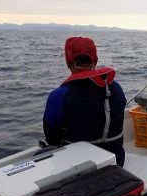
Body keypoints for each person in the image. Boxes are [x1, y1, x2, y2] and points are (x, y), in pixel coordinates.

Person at [43, 36, 126, 166]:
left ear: (68, 63)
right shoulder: (116, 87)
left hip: (78, 169)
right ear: (96, 60)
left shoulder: (58, 96)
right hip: (116, 163)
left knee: (39, 155)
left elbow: (52, 139)